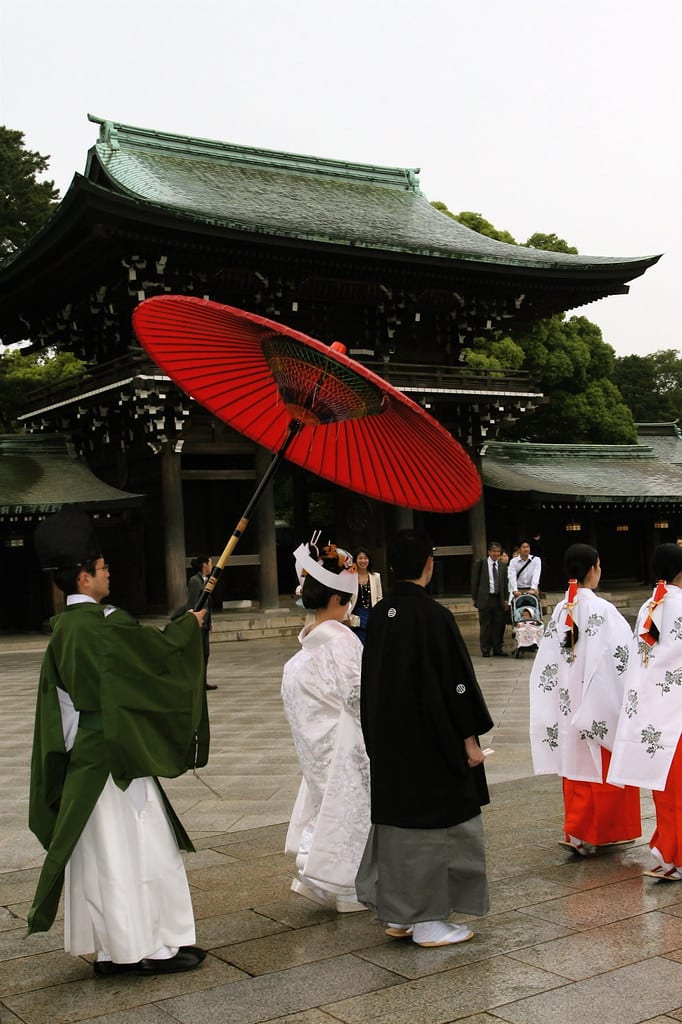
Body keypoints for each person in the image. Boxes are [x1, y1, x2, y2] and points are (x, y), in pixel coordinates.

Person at [29, 509, 209, 976]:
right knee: (141, 847)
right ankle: (151, 949)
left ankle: (112, 950)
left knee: (101, 854)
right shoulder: (105, 626)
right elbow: (157, 658)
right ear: (85, 577)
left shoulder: (63, 631)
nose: (110, 573)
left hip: (85, 760)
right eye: (104, 567)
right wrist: (189, 627)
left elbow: (59, 709)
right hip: (118, 755)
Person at [356, 529, 493, 947]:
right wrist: (469, 741)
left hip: (389, 741)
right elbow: (457, 685)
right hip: (432, 743)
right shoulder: (434, 616)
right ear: (428, 565)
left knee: (399, 822)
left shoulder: (379, 615)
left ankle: (400, 913)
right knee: (437, 825)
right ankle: (429, 920)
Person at [529, 543, 641, 856]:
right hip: (597, 702)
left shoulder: (563, 610)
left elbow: (558, 657)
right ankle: (598, 832)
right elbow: (621, 658)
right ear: (593, 568)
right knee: (601, 771)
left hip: (569, 701)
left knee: (576, 769)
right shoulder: (603, 610)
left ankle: (577, 831)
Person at [281, 539, 370, 912]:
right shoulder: (343, 642)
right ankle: (348, 887)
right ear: (337, 600)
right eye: (347, 601)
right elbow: (358, 696)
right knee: (355, 810)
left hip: (317, 752)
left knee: (326, 807)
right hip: (347, 747)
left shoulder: (297, 658)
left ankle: (318, 874)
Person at [608, 544, 682, 880]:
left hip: (656, 710)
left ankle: (669, 850)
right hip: (677, 712)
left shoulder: (651, 604)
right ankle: (675, 854)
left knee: (666, 789)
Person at [471, 540, 509, 656]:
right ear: (489, 552)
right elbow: (474, 581)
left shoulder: (502, 566)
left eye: (498, 551)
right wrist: (475, 597)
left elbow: (505, 584)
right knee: (486, 625)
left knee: (499, 625)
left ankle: (497, 648)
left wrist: (506, 599)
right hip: (485, 598)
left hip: (498, 599)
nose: (496, 554)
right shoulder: (481, 564)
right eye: (493, 551)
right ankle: (486, 649)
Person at [187, 554, 217, 690]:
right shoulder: (195, 581)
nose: (211, 566)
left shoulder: (206, 580)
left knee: (205, 653)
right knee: (198, 654)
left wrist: (209, 622)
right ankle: (197, 682)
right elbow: (193, 602)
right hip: (197, 622)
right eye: (210, 563)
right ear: (204, 564)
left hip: (204, 622)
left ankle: (203, 681)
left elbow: (207, 604)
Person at [348, 547, 383, 645]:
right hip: (356, 617)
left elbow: (379, 598)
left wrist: (380, 614)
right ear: (355, 560)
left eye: (365, 558)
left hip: (372, 614)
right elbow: (347, 600)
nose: (363, 561)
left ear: (369, 560)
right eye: (360, 558)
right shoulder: (350, 577)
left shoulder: (376, 576)